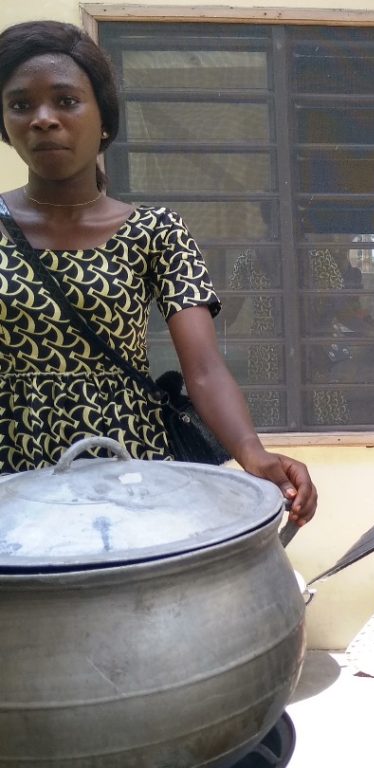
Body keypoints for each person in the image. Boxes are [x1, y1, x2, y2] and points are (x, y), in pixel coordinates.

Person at [0, 20, 316, 524]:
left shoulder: (156, 231)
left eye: (65, 100)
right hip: (13, 472)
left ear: (104, 118)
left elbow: (205, 369)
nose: (43, 119)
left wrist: (253, 454)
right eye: (21, 105)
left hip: (132, 467)